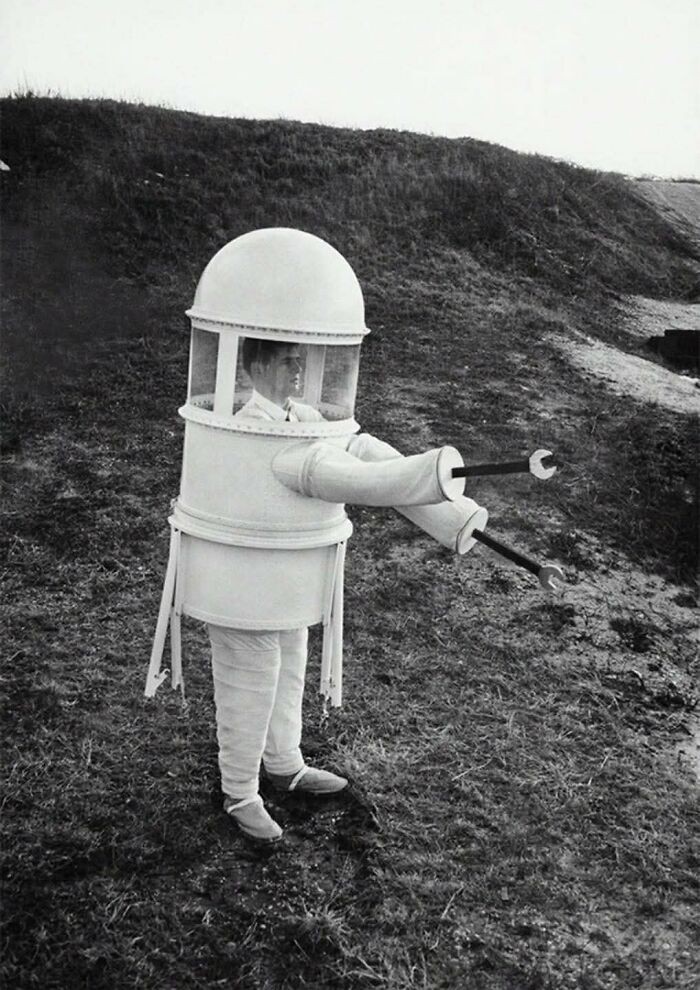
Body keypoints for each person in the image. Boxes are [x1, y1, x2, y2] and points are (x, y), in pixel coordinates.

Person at [208, 338, 347, 845]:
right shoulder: (242, 426)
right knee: (253, 673)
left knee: (291, 657)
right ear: (259, 366)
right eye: (289, 361)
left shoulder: (301, 417)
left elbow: (343, 458)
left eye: (300, 361)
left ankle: (285, 764)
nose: (299, 370)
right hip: (239, 573)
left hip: (286, 569)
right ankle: (240, 792)